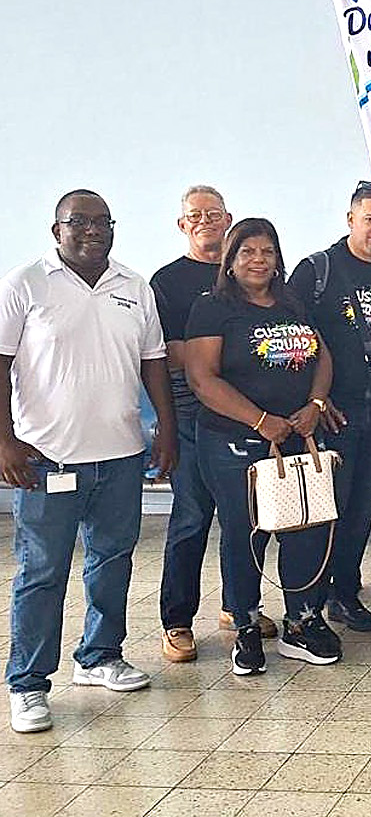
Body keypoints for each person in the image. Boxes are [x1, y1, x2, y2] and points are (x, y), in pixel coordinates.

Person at [2, 190, 177, 734]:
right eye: (79, 222)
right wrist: (4, 441)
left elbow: (154, 364)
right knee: (42, 571)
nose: (92, 230)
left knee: (112, 561)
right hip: (46, 457)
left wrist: (166, 429)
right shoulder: (26, 284)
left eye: (103, 222)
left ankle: (99, 657)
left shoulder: (134, 286)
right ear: (57, 230)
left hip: (121, 456)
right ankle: (27, 685)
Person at [185, 218, 341, 674]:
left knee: (305, 527)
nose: (259, 260)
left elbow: (321, 354)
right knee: (245, 531)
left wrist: (315, 402)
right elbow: (201, 378)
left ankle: (300, 621)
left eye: (267, 251)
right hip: (234, 441)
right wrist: (259, 420)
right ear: (230, 261)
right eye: (247, 251)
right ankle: (247, 625)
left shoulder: (292, 301)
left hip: (298, 437)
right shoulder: (212, 308)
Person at [152, 186, 274, 662]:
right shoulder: (168, 282)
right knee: (191, 518)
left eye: (214, 213)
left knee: (250, 519)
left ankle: (236, 606)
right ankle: (177, 621)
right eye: (195, 215)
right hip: (191, 417)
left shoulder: (248, 281)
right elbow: (171, 355)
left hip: (249, 419)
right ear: (182, 224)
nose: (205, 221)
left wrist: (217, 350)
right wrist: (221, 352)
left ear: (230, 220)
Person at [288, 181, 371, 633]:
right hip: (332, 414)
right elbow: (294, 341)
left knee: (362, 508)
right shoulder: (317, 270)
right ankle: (307, 603)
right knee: (325, 510)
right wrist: (314, 401)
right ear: (350, 220)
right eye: (370, 220)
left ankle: (346, 592)